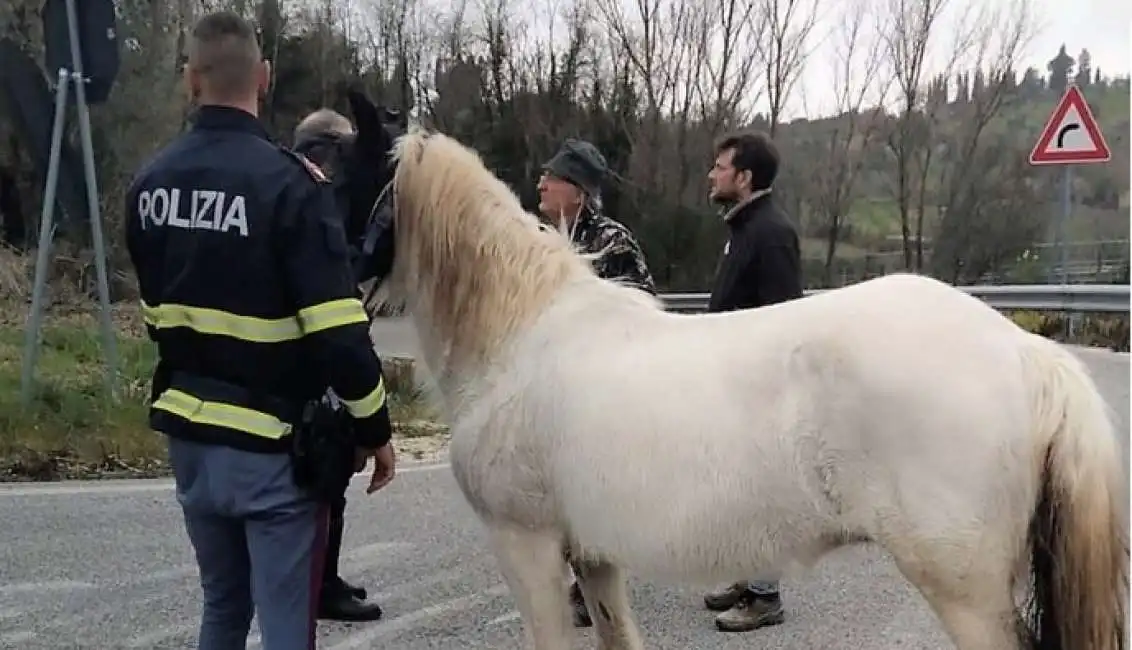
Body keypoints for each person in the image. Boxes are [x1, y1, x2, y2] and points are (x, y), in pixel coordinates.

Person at [123, 11, 397, 649]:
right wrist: (375, 427)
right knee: (284, 628)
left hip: (189, 440)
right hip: (271, 450)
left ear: (191, 79)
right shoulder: (293, 187)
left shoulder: (148, 185)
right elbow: (339, 334)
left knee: (222, 607)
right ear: (264, 77)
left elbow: (158, 317)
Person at [536, 138, 656, 628]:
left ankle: (595, 588)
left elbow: (644, 312)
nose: (540, 183)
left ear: (579, 192)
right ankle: (580, 581)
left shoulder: (612, 242)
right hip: (551, 389)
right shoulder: (538, 238)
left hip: (604, 392)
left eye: (552, 177)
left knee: (590, 495)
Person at [700, 130, 803, 633]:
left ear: (745, 177)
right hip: (732, 385)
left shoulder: (772, 232)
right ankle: (746, 578)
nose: (712, 174)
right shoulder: (744, 227)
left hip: (759, 390)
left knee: (761, 491)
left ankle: (766, 595)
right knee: (738, 490)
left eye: (721, 167)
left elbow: (783, 320)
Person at [290, 107, 386, 623]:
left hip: (314, 362)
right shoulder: (313, 195)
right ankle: (317, 585)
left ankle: (324, 576)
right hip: (315, 362)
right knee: (324, 472)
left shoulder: (311, 191)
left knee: (333, 476)